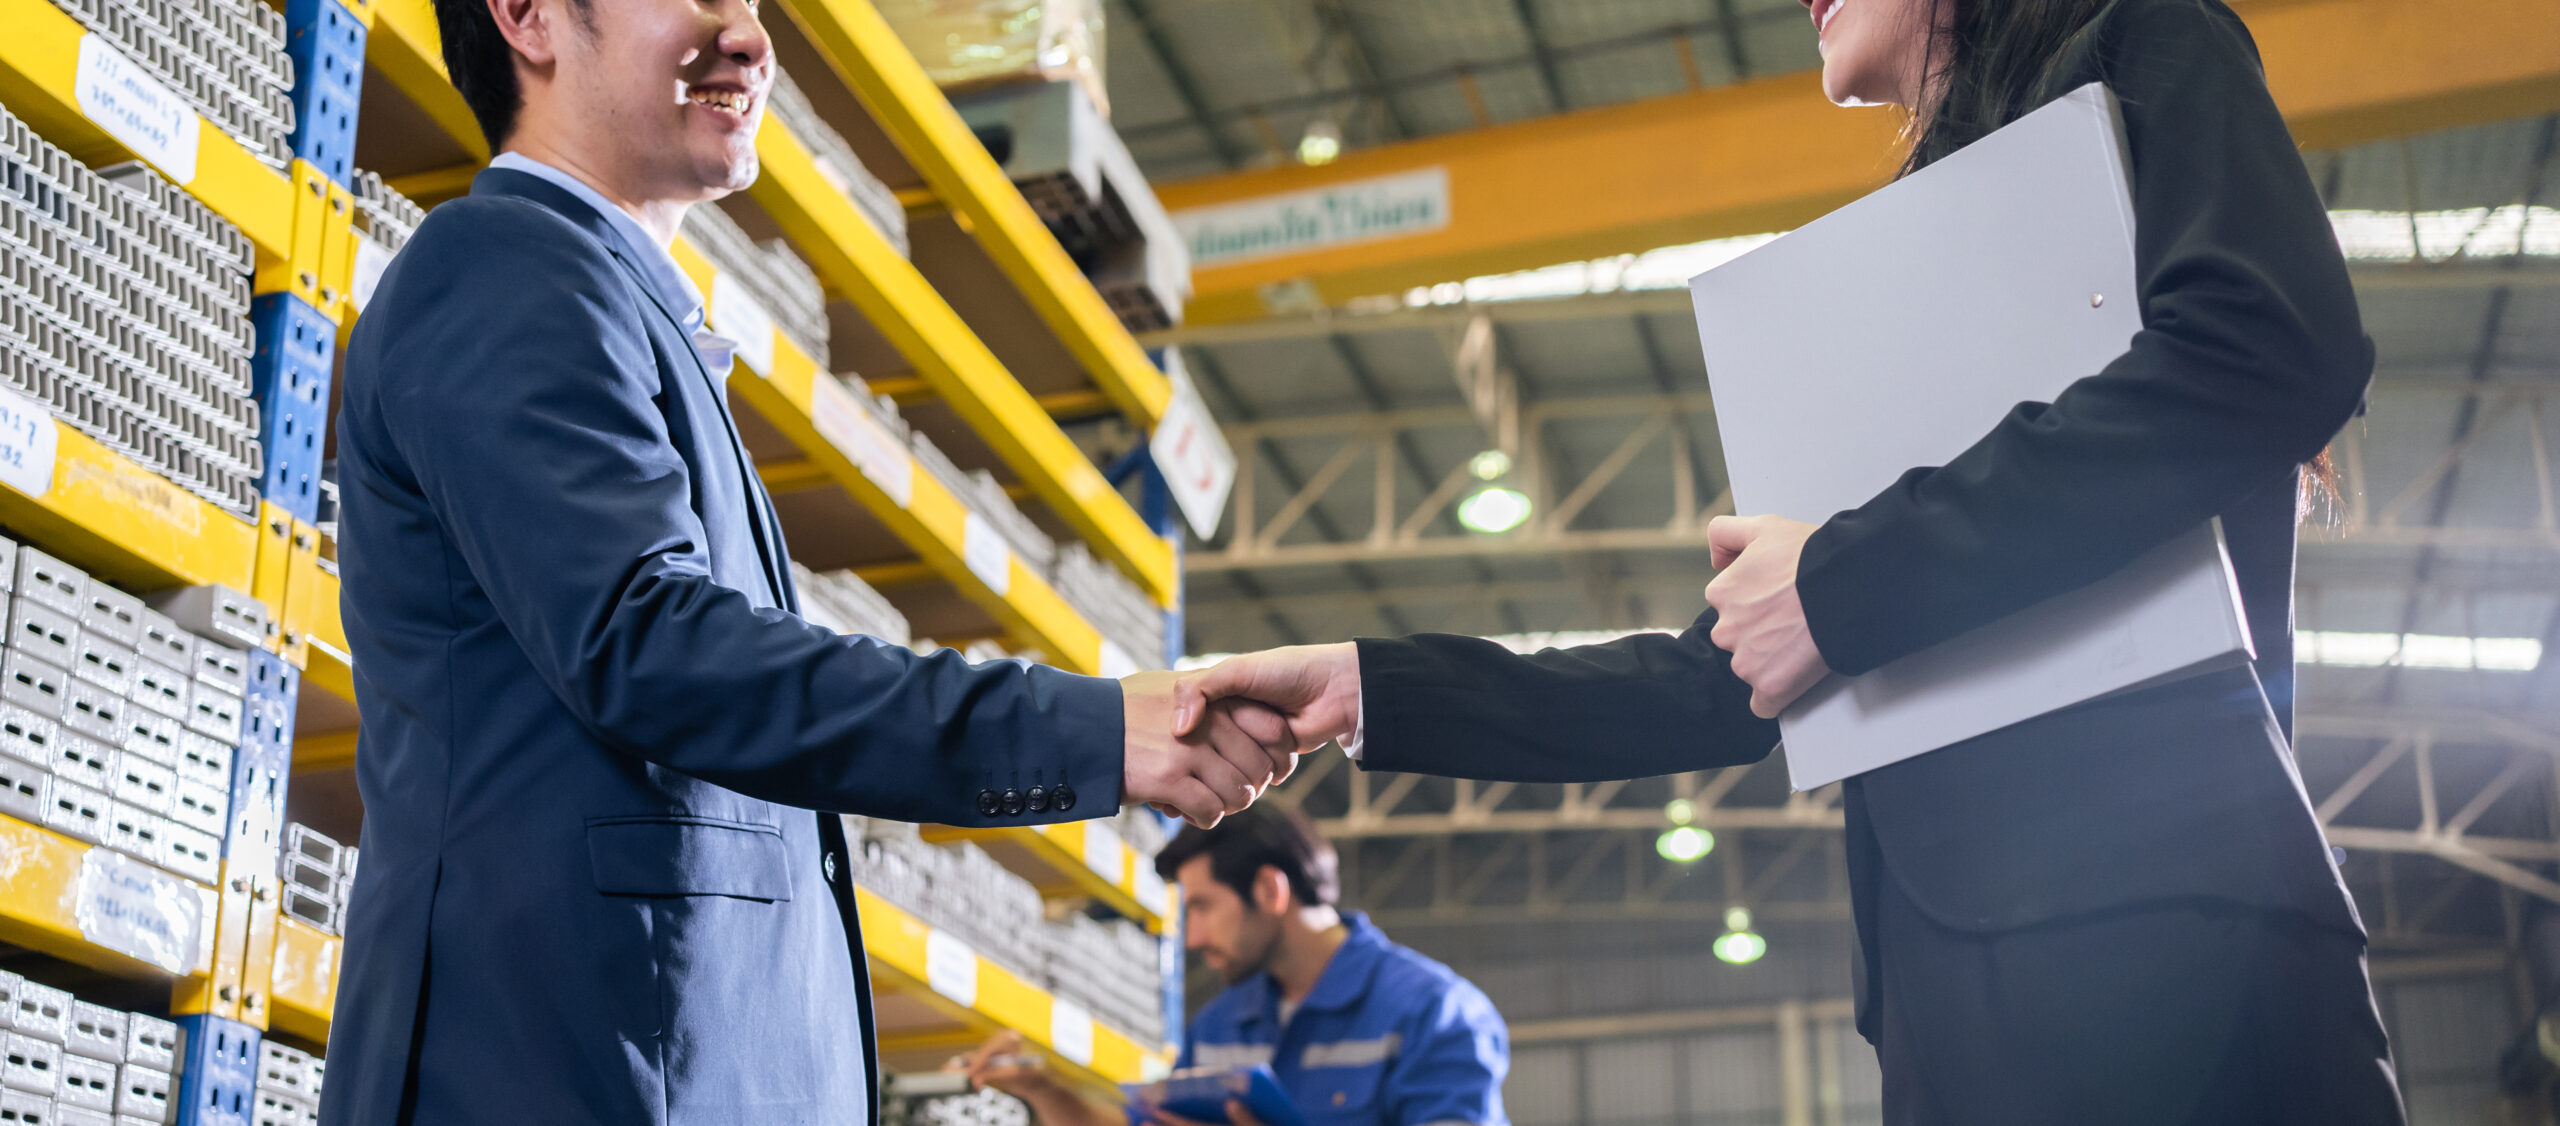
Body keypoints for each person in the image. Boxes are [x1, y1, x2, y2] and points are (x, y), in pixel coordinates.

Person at [1171, 0, 2405, 1122]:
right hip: (1950, 998)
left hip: (2168, 946)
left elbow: (2269, 346)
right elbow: (1714, 682)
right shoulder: (1918, 257)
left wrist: (1834, 584)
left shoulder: (2144, 34)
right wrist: (1365, 685)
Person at [322, 0, 1296, 1122]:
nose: (746, 34)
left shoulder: (618, 310)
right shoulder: (504, 268)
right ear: (530, 17)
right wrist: (1086, 729)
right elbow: (655, 650)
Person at [957, 806, 1509, 1126]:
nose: (1192, 938)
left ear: (1270, 890)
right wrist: (1048, 1091)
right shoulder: (1222, 1027)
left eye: (1202, 907)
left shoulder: (1434, 1014)